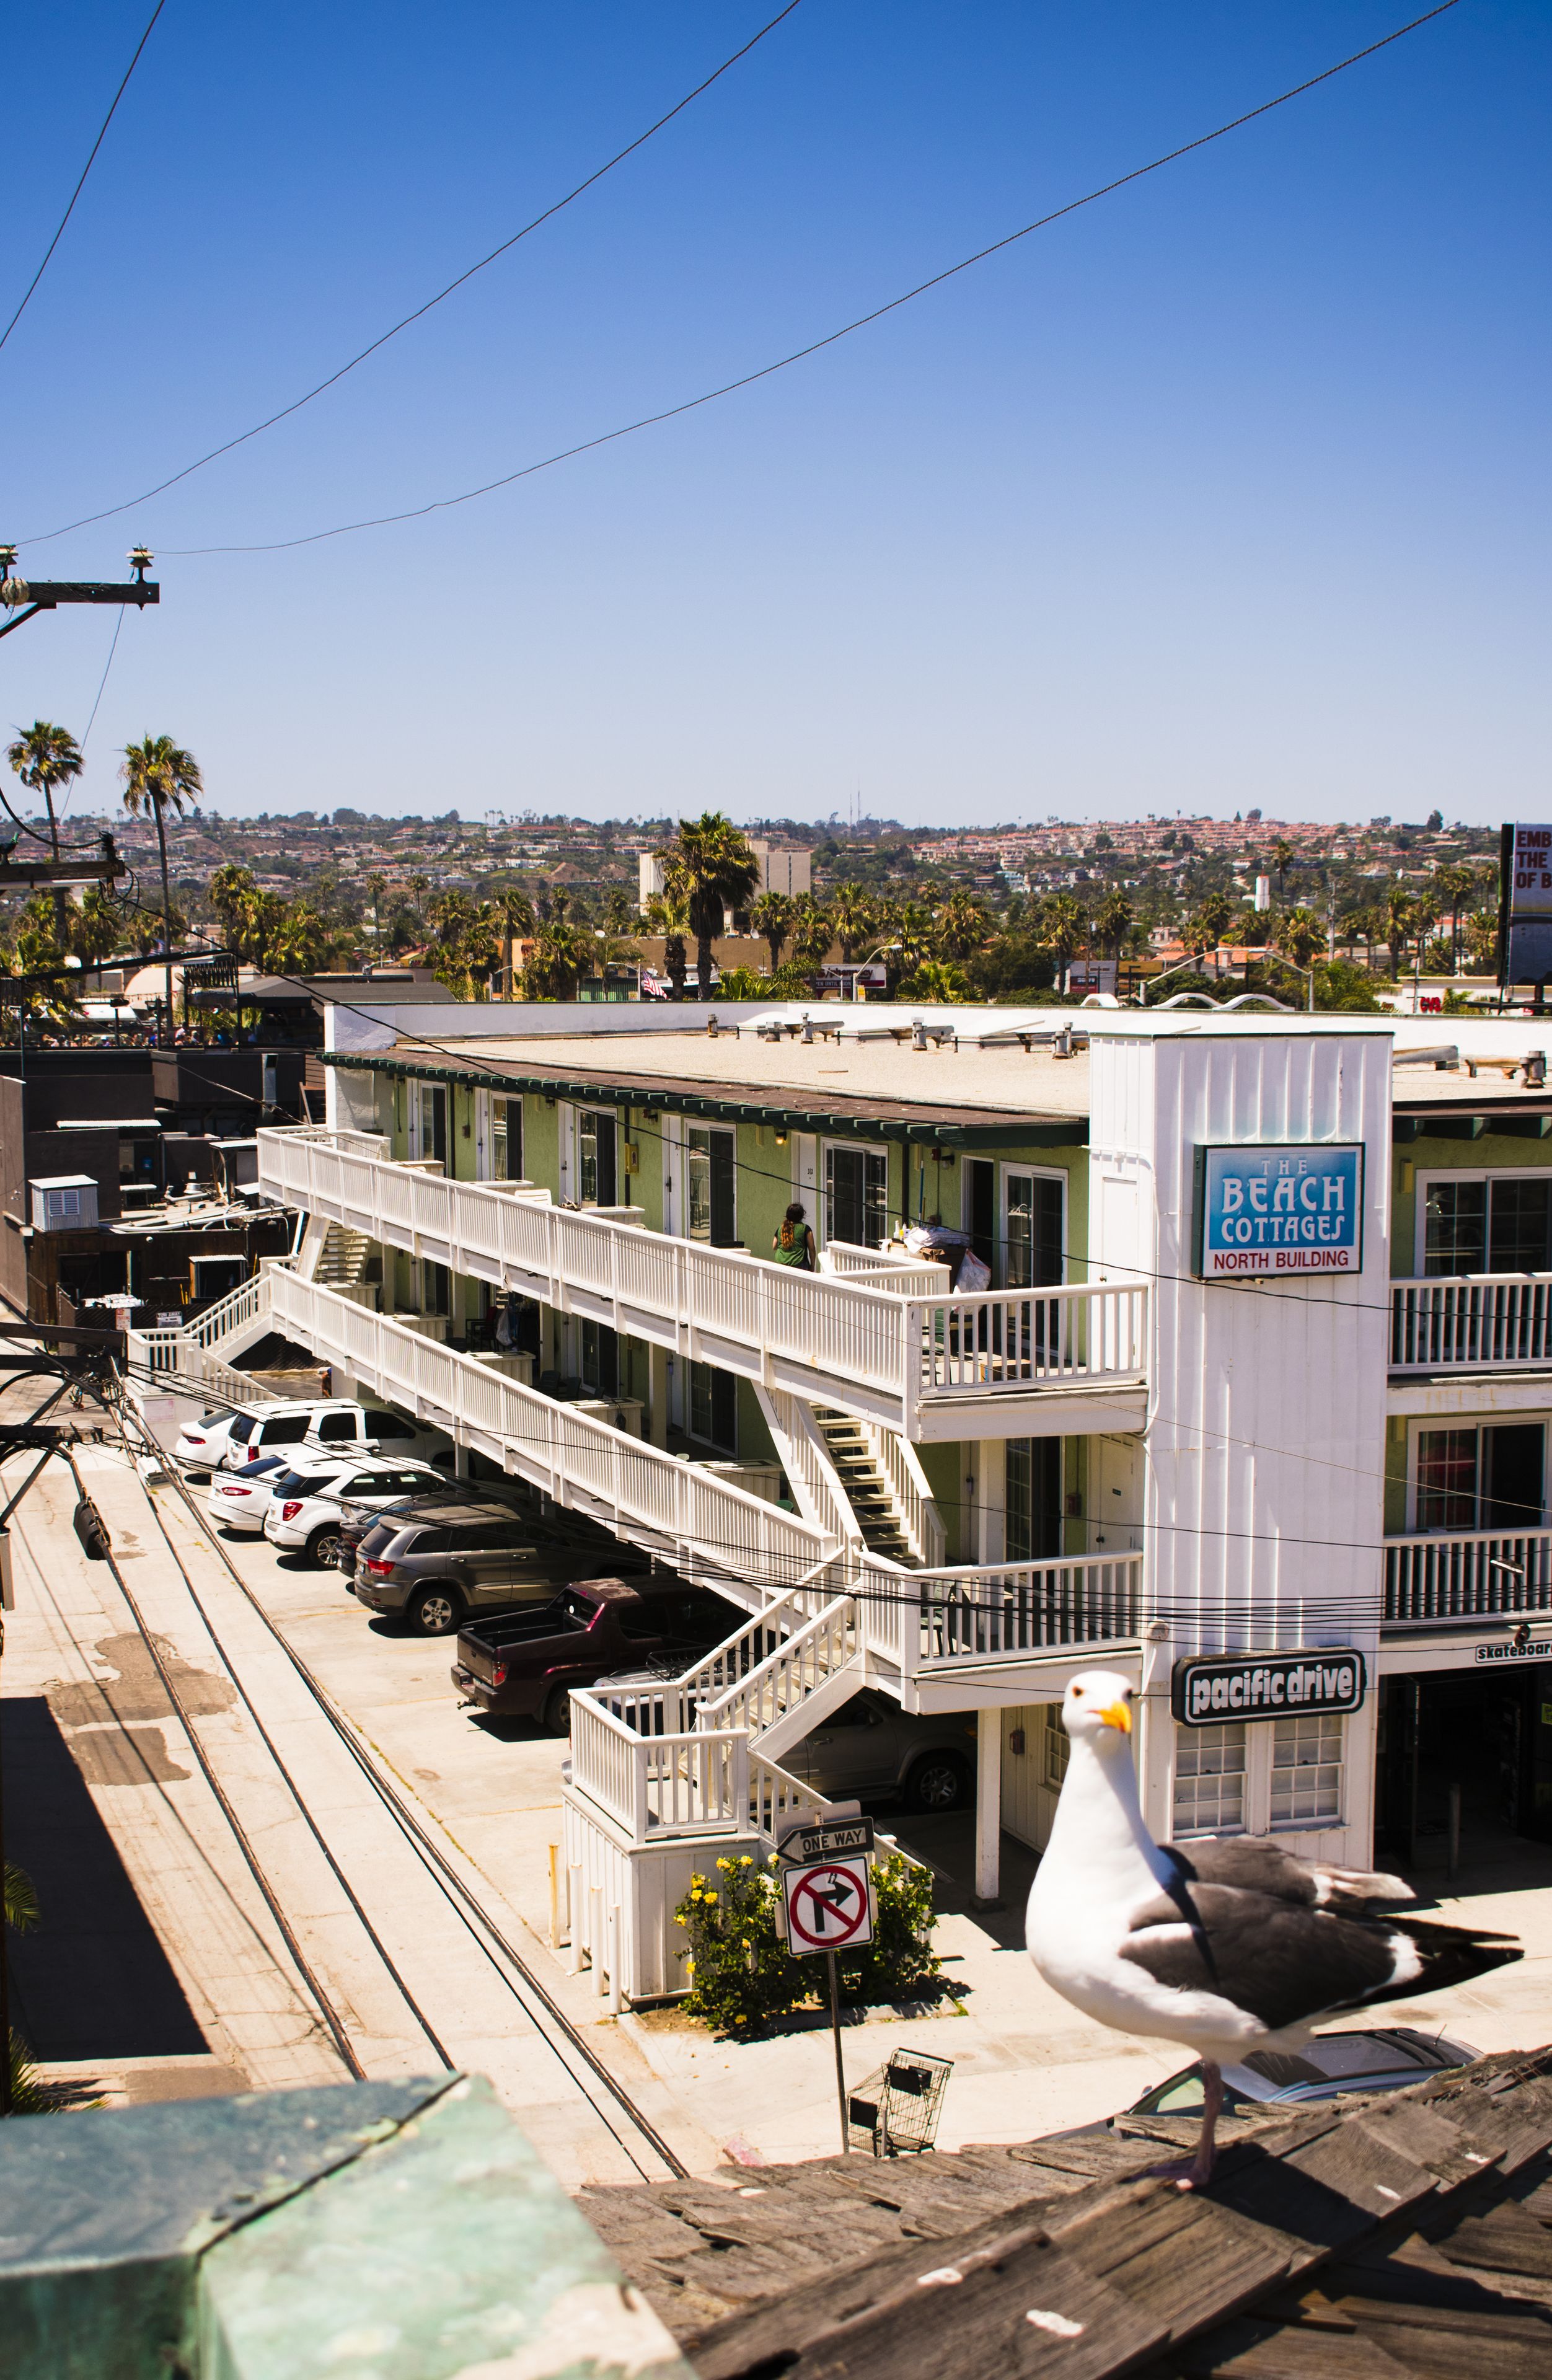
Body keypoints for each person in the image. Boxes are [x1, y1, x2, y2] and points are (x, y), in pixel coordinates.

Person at [771, 1202, 816, 1271]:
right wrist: (812, 1266)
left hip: (780, 1264)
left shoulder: (781, 1228)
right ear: (801, 1215)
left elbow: (774, 1247)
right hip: (799, 1264)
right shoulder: (805, 1229)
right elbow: (812, 1249)